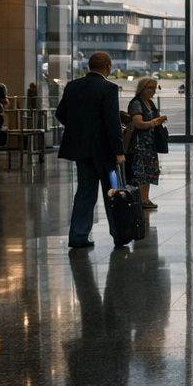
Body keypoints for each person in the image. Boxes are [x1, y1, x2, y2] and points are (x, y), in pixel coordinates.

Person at [56, 53, 126, 249]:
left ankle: (78, 236)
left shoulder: (73, 86)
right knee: (113, 192)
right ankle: (119, 234)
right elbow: (112, 123)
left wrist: (79, 130)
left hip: (82, 151)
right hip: (105, 152)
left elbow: (60, 113)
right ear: (108, 66)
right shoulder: (108, 88)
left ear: (89, 65)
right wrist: (119, 151)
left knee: (85, 193)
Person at [125, 77, 167, 210]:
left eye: (154, 88)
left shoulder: (149, 103)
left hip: (150, 144)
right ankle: (140, 199)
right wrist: (154, 122)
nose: (153, 91)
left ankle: (145, 198)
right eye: (150, 88)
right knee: (140, 173)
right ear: (142, 89)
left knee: (148, 173)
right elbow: (138, 123)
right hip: (140, 144)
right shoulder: (137, 103)